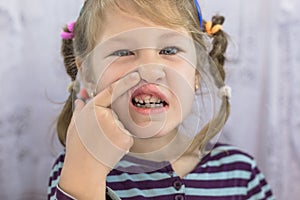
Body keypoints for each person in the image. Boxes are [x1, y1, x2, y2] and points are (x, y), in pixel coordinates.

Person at [48, 0, 274, 199]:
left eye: (169, 50)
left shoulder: (240, 175)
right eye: (123, 52)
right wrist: (87, 174)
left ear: (197, 72)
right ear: (87, 75)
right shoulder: (75, 169)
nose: (150, 71)